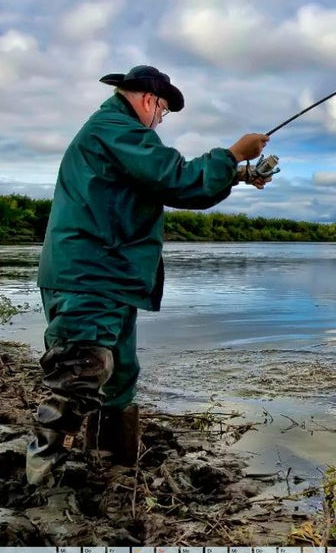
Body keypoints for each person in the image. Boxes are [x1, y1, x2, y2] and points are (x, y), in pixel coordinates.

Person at [28, 65, 271, 485]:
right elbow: (176, 179)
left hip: (111, 277)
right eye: (163, 109)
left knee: (119, 376)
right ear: (146, 100)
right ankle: (44, 480)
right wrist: (233, 154)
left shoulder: (118, 134)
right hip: (90, 275)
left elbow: (170, 183)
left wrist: (239, 173)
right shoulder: (115, 129)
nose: (161, 119)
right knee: (80, 373)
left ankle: (113, 468)